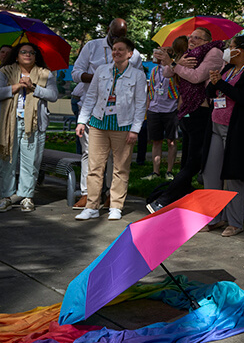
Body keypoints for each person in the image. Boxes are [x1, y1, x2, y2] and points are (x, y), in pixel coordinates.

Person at [145, 27, 224, 213]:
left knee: (195, 160)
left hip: (201, 110)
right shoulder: (189, 55)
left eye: (197, 38)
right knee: (189, 157)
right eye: (190, 37)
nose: (192, 40)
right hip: (187, 111)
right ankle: (183, 195)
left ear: (207, 40)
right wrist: (173, 63)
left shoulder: (214, 53)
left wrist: (174, 64)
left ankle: (163, 199)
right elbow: (167, 74)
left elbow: (196, 77)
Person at [71, 18, 143, 209]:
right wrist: (99, 78)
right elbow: (76, 73)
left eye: (121, 36)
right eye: (114, 35)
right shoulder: (92, 46)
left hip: (120, 113)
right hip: (92, 106)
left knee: (116, 156)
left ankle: (112, 195)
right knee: (90, 153)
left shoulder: (133, 55)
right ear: (107, 30)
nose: (117, 39)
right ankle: (87, 193)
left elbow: (137, 83)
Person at [200, 35, 244, 237]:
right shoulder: (228, 69)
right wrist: (215, 82)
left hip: (238, 130)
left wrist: (221, 84)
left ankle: (235, 222)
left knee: (236, 176)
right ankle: (215, 218)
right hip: (216, 125)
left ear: (241, 50)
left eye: (231, 47)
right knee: (210, 173)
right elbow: (212, 92)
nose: (228, 50)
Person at [0, 43, 58, 212]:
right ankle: (6, 197)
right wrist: (16, 87)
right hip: (9, 122)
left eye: (31, 52)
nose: (27, 54)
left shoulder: (45, 74)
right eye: (23, 52)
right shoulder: (5, 72)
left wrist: (34, 87)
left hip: (34, 124)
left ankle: (27, 197)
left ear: (36, 56)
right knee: (7, 160)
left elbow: (53, 95)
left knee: (31, 161)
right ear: (16, 56)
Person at [143, 37, 186, 181]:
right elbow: (150, 90)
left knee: (171, 141)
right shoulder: (154, 70)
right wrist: (147, 108)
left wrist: (179, 107)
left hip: (171, 110)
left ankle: (169, 171)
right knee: (156, 141)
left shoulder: (175, 69)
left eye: (168, 51)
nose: (164, 54)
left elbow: (181, 88)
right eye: (162, 51)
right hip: (155, 110)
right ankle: (155, 172)